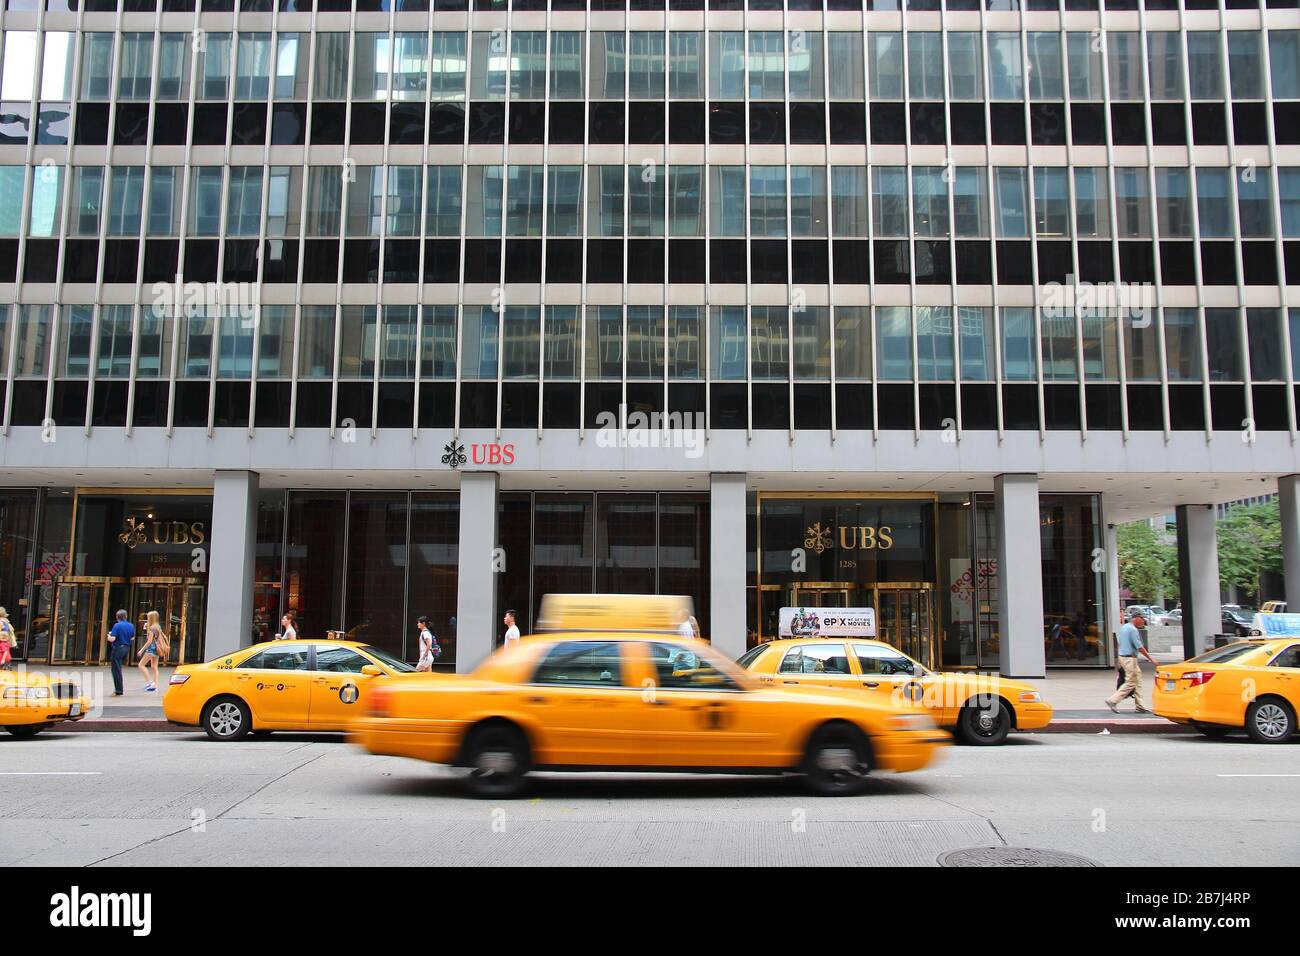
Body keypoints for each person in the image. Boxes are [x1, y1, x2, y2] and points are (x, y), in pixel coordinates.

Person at [1106, 613, 1159, 713]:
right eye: (1142, 619)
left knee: (1137, 680)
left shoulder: (1124, 627)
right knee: (1131, 682)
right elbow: (1139, 647)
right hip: (1130, 659)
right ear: (1136, 618)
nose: (1144, 621)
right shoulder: (1132, 630)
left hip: (1124, 658)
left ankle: (1140, 705)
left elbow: (1121, 644)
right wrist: (1151, 659)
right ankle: (1113, 700)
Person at [106, 609, 135, 697]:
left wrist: (108, 636)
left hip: (118, 648)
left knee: (116, 669)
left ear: (117, 617)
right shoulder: (131, 625)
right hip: (126, 647)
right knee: (118, 668)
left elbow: (112, 639)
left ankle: (118, 690)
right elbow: (132, 638)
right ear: (126, 616)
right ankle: (119, 689)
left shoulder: (117, 625)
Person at [137, 610, 166, 692]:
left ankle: (149, 683)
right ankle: (155, 685)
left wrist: (141, 650)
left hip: (151, 649)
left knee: (141, 665)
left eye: (148, 617)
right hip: (157, 649)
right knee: (154, 667)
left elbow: (149, 641)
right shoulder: (158, 626)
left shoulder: (151, 628)